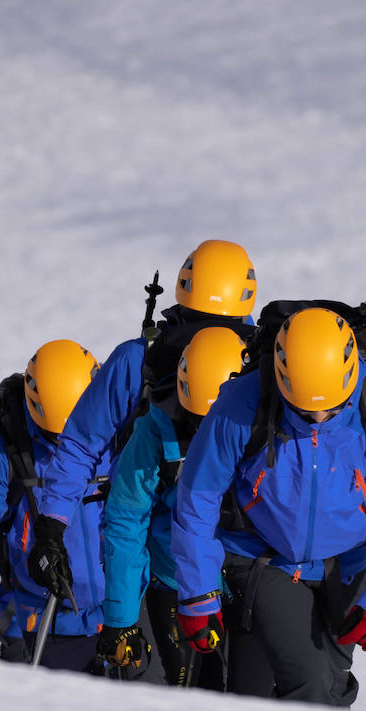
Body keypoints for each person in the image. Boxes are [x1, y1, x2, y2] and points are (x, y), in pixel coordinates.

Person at [169, 306, 366, 706]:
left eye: (331, 409)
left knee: (334, 690)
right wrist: (197, 593)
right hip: (265, 560)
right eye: (302, 409)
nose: (317, 418)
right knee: (310, 686)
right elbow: (197, 497)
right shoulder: (242, 402)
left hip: (348, 567)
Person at [26, 240, 259, 601]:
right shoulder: (260, 363)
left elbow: (80, 445)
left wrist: (52, 525)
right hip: (246, 560)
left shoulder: (136, 360)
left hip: (144, 560)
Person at [0, 339, 111, 672]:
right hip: (50, 627)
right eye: (57, 438)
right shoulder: (8, 451)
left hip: (129, 614)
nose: (72, 450)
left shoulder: (125, 431)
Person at [97, 326, 249, 685]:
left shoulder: (264, 425)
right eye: (196, 422)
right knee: (192, 699)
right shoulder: (153, 433)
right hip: (175, 584)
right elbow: (126, 520)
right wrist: (121, 620)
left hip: (249, 579)